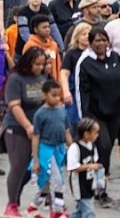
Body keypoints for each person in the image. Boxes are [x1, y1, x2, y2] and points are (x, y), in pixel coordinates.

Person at [75, 26, 120, 208]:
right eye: (97, 41)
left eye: (104, 40)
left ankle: (99, 184)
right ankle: (100, 190)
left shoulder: (115, 57)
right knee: (104, 147)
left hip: (115, 112)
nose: (101, 44)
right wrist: (85, 120)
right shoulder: (85, 62)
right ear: (91, 43)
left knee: (108, 150)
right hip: (95, 114)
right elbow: (81, 92)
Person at [0, 47, 48, 217]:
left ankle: (18, 196)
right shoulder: (16, 79)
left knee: (33, 167)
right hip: (17, 128)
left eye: (42, 64)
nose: (40, 68)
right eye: (37, 64)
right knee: (18, 166)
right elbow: (14, 106)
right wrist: (28, 126)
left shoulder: (43, 77)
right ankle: (11, 204)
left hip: (39, 128)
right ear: (28, 63)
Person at [29, 79, 73, 217]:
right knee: (57, 180)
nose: (57, 98)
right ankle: (58, 210)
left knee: (47, 182)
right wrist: (36, 160)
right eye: (53, 95)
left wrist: (73, 149)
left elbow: (66, 132)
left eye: (58, 95)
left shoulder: (62, 112)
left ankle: (33, 207)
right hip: (46, 151)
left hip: (59, 150)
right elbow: (36, 137)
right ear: (44, 95)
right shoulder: (40, 114)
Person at [67, 118, 102, 218]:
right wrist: (89, 166)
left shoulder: (92, 146)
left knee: (80, 211)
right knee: (89, 211)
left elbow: (95, 161)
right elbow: (73, 167)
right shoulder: (75, 147)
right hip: (79, 184)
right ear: (86, 134)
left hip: (89, 182)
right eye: (95, 133)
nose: (97, 135)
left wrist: (100, 174)